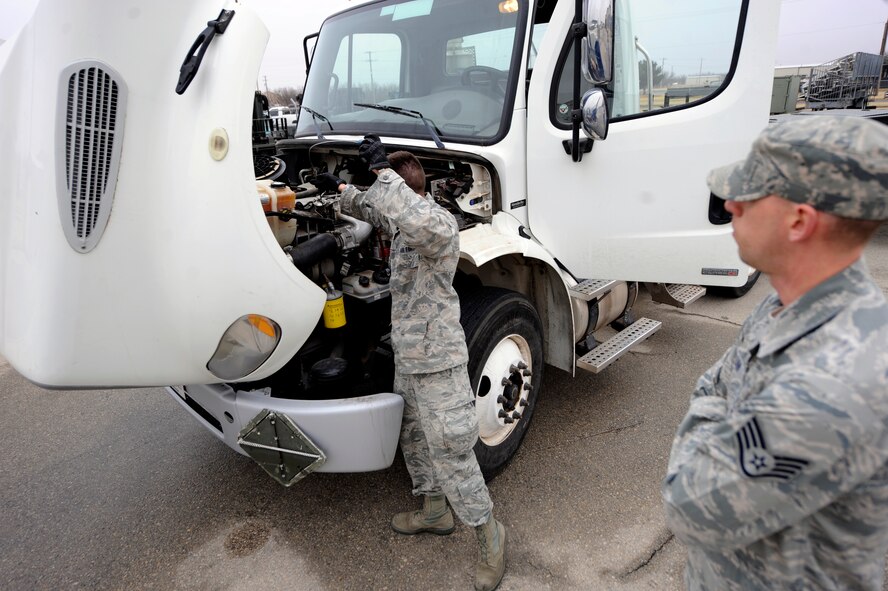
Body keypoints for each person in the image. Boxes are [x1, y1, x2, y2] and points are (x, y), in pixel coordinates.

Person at [662, 115, 888, 590]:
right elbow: (720, 381)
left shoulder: (833, 384)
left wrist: (710, 413)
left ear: (799, 221)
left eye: (749, 194)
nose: (730, 204)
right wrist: (725, 412)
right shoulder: (789, 300)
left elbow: (690, 504)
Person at [313, 135, 506, 591]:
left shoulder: (436, 224)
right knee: (414, 439)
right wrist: (340, 191)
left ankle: (490, 534)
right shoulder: (402, 219)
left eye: (389, 186)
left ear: (406, 189)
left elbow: (408, 214)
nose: (385, 199)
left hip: (438, 360)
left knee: (452, 449)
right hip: (409, 354)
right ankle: (435, 511)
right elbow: (373, 208)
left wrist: (383, 172)